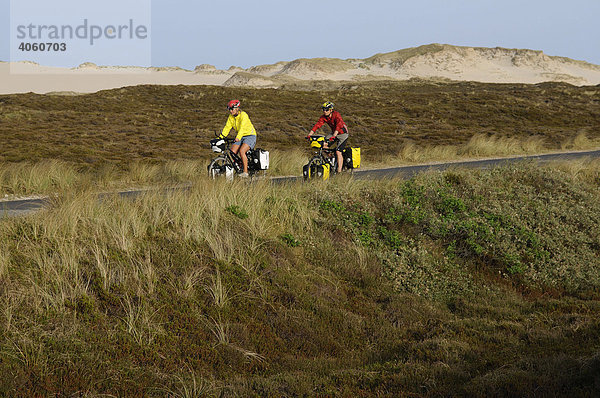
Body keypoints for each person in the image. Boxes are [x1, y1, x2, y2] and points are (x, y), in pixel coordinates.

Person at [218, 99, 257, 177]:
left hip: (250, 135)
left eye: (232, 109)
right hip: (240, 136)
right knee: (232, 151)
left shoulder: (244, 115)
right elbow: (227, 128)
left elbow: (242, 128)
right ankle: (239, 167)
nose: (230, 111)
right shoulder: (231, 117)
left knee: (242, 151)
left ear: (237, 108)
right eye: (229, 109)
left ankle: (245, 172)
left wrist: (238, 137)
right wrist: (220, 138)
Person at [307, 101, 349, 173]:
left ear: (331, 110)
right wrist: (310, 134)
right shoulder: (324, 117)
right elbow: (317, 125)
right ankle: (331, 158)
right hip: (333, 133)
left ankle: (339, 171)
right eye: (323, 109)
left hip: (343, 134)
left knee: (338, 152)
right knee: (323, 144)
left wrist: (334, 136)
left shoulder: (336, 115)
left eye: (326, 109)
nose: (324, 111)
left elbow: (338, 126)